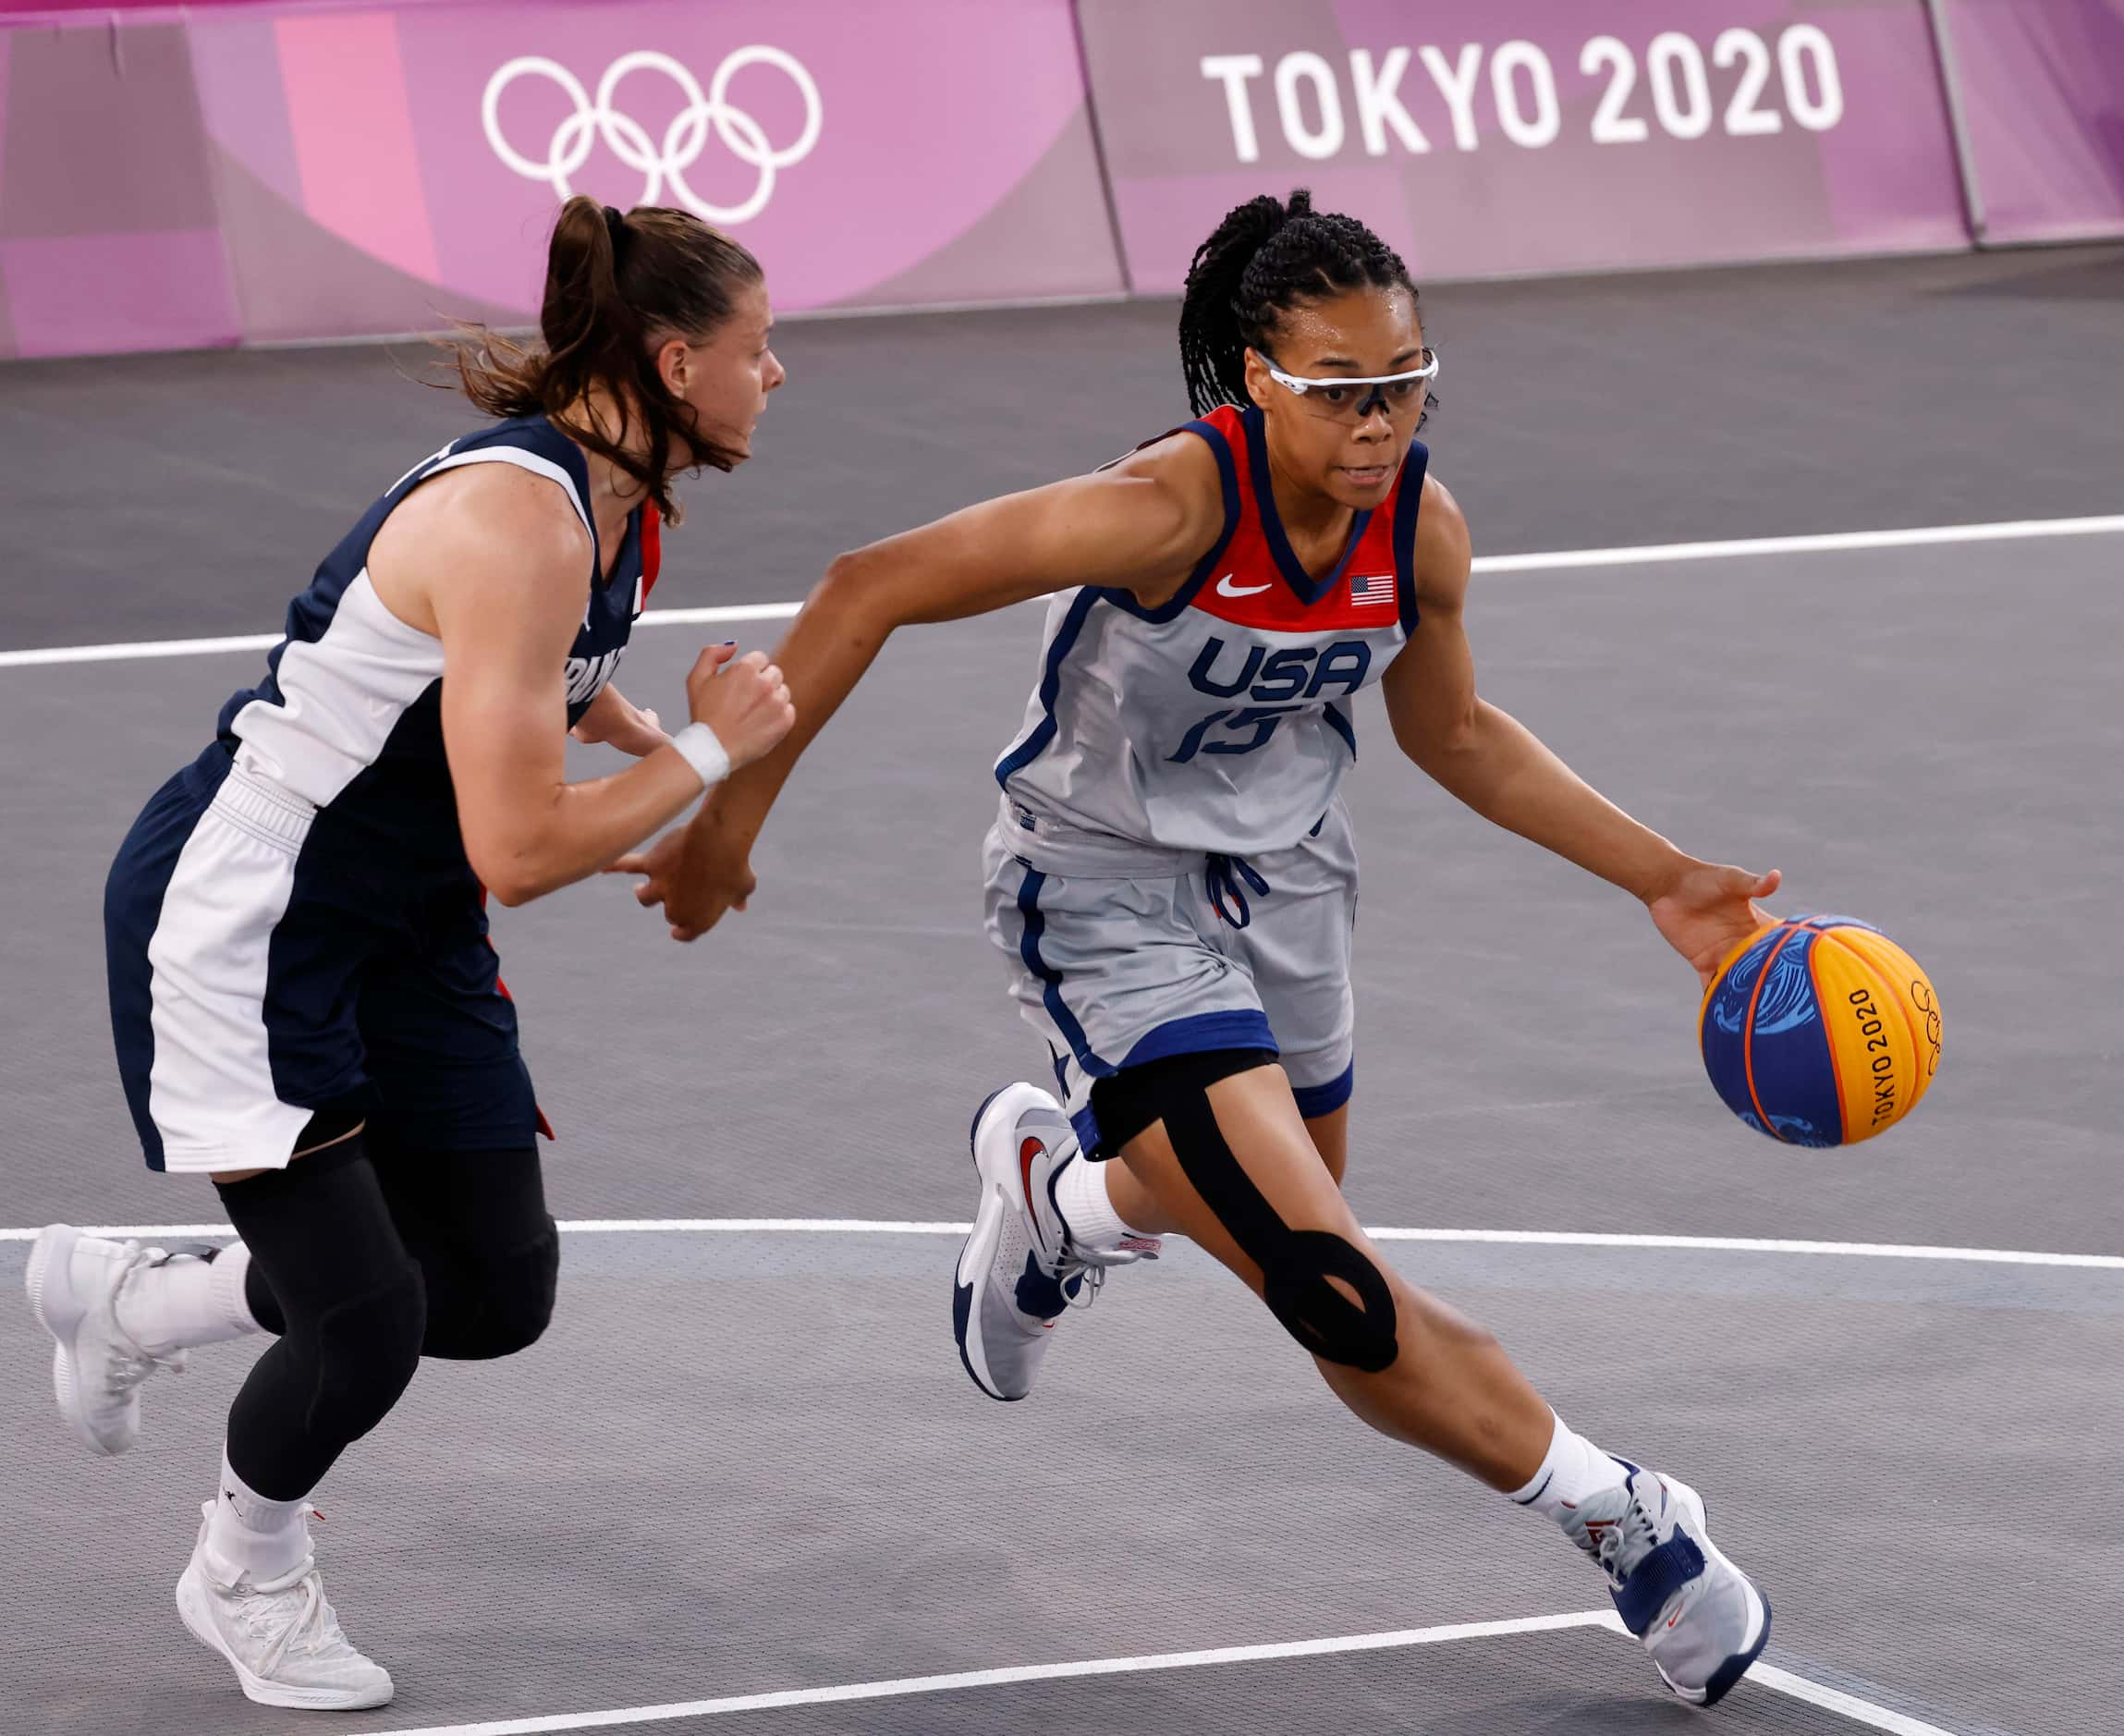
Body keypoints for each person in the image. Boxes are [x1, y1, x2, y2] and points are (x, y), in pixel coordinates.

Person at [622, 189, 1777, 1706]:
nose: (1380, 419)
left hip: (1289, 886)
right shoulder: (1166, 508)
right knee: (1329, 1284)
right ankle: (1627, 1518)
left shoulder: (1415, 523)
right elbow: (868, 584)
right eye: (1341, 389)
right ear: (1251, 378)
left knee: (1282, 1212)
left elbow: (1458, 733)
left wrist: (1665, 880)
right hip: (1101, 893)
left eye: (1406, 378)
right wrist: (722, 824)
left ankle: (1064, 1200)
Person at [24, 198, 795, 1712]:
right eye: (760, 352)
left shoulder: (617, 496)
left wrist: (638, 734)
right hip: (258, 921)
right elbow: (522, 846)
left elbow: (540, 682)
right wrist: (708, 748)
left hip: (411, 921)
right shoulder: (517, 516)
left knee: (495, 1290)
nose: (780, 376)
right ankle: (242, 1565)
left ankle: (144, 1300)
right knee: (364, 1321)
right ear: (671, 357)